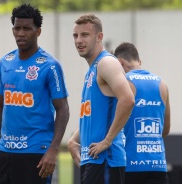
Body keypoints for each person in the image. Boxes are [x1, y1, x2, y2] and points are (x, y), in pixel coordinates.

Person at [0, 4, 69, 184]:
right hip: (5, 150)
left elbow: (63, 109)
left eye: (26, 29)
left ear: (38, 31)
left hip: (36, 152)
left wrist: (53, 149)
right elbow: (1, 105)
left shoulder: (50, 65)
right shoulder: (5, 62)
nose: (21, 33)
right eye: (17, 28)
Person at [67, 14, 135, 184]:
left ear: (99, 37)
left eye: (85, 35)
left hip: (106, 159)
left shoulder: (106, 63)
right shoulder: (92, 69)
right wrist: (73, 140)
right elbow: (93, 116)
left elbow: (128, 99)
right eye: (75, 35)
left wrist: (107, 141)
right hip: (93, 158)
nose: (79, 40)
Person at [114, 42, 171, 184]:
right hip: (157, 166)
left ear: (119, 62)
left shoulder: (123, 83)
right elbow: (165, 130)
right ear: (139, 61)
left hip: (129, 165)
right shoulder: (162, 84)